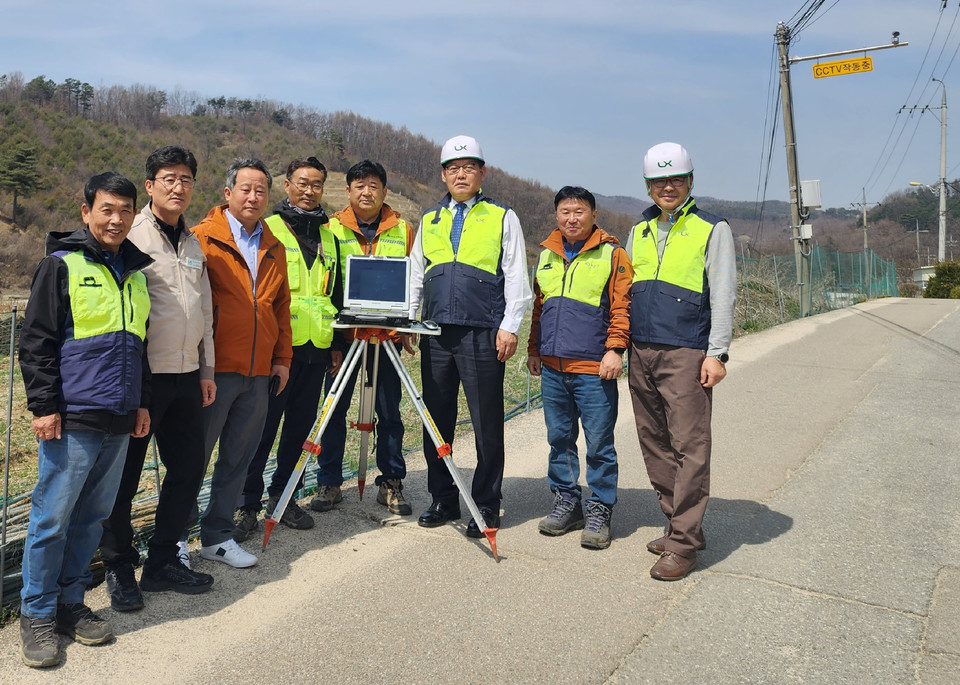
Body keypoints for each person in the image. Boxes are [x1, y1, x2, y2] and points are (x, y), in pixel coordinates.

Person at [17, 172, 152, 668]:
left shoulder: (136, 274)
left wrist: (142, 403)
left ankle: (71, 603)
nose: (116, 219)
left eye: (124, 210)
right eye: (106, 209)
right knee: (51, 517)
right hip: (72, 416)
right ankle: (36, 612)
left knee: (93, 517)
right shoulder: (60, 266)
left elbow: (140, 348)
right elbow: (36, 342)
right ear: (86, 211)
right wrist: (44, 405)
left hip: (120, 416)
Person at [99, 146, 215, 611]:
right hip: (143, 378)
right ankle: (119, 566)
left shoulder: (192, 241)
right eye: (168, 178)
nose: (178, 187)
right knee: (123, 481)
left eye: (185, 179)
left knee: (187, 470)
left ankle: (163, 560)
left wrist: (206, 370)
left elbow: (204, 310)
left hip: (187, 376)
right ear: (150, 185)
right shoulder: (132, 236)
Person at [409, 135, 532, 536]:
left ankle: (485, 506)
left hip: (483, 332)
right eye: (453, 168)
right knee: (436, 420)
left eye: (469, 167)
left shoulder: (502, 216)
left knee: (486, 422)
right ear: (443, 174)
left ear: (482, 172)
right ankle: (443, 498)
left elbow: (516, 274)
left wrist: (510, 326)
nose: (461, 174)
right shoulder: (430, 220)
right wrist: (412, 320)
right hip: (437, 333)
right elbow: (416, 275)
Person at [626, 142, 736, 581]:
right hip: (641, 348)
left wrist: (717, 352)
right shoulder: (641, 229)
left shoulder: (713, 228)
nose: (666, 187)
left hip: (687, 350)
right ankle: (679, 525)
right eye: (658, 181)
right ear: (649, 186)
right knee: (654, 442)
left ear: (690, 181)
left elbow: (724, 291)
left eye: (674, 180)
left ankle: (685, 545)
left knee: (690, 446)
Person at [188, 158, 292, 569]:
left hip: (259, 371)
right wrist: (199, 367)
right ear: (227, 193)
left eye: (260, 190)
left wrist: (282, 358)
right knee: (194, 458)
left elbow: (280, 308)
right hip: (214, 369)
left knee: (239, 457)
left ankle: (217, 536)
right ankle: (175, 540)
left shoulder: (273, 246)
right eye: (245, 189)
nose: (253, 196)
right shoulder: (202, 238)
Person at [235, 156, 343, 540]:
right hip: (277, 349)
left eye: (316, 184)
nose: (309, 190)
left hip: (316, 348)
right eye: (302, 182)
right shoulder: (269, 228)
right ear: (287, 184)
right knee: (261, 430)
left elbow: (337, 291)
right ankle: (245, 505)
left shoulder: (330, 235)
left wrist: (337, 344)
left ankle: (285, 497)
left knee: (299, 431)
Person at [527, 186, 632, 550]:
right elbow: (540, 308)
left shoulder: (613, 254)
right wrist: (533, 349)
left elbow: (622, 307)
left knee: (600, 442)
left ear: (593, 214)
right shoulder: (546, 255)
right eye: (565, 211)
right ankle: (567, 501)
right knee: (559, 438)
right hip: (553, 367)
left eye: (579, 211)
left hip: (593, 367)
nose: (572, 218)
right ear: (556, 215)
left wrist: (615, 350)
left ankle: (600, 508)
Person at [312, 159, 415, 516]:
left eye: (373, 185)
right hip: (344, 336)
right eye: (359, 185)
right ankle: (329, 481)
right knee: (334, 409)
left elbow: (414, 279)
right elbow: (324, 281)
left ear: (384, 191)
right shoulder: (331, 228)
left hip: (386, 336)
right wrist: (332, 338)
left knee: (389, 411)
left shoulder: (403, 228)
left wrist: (407, 327)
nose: (366, 192)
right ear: (349, 190)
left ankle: (391, 481)